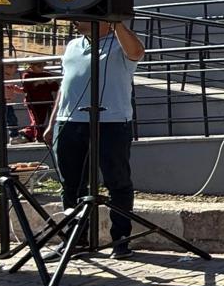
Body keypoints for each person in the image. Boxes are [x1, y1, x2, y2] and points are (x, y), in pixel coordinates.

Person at [45, 19, 147, 259]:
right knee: (71, 184)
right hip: (70, 122)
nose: (75, 21)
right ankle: (76, 239)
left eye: (84, 16)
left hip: (111, 122)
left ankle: (120, 240)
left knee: (117, 181)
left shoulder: (120, 43)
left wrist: (116, 21)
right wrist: (52, 122)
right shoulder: (73, 45)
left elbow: (137, 52)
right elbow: (65, 85)